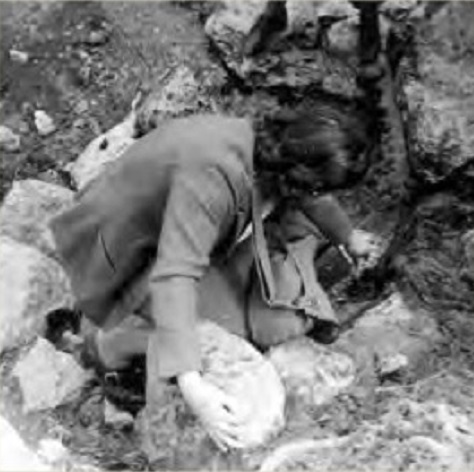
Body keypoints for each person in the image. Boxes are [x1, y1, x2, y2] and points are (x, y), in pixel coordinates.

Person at [49, 105, 377, 452]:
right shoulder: (212, 178)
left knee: (282, 270)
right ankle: (112, 342)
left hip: (163, 236)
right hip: (121, 256)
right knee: (244, 327)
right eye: (318, 188)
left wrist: (347, 237)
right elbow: (176, 272)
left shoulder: (264, 144)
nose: (319, 196)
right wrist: (192, 384)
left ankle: (138, 329)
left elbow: (313, 197)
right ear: (299, 175)